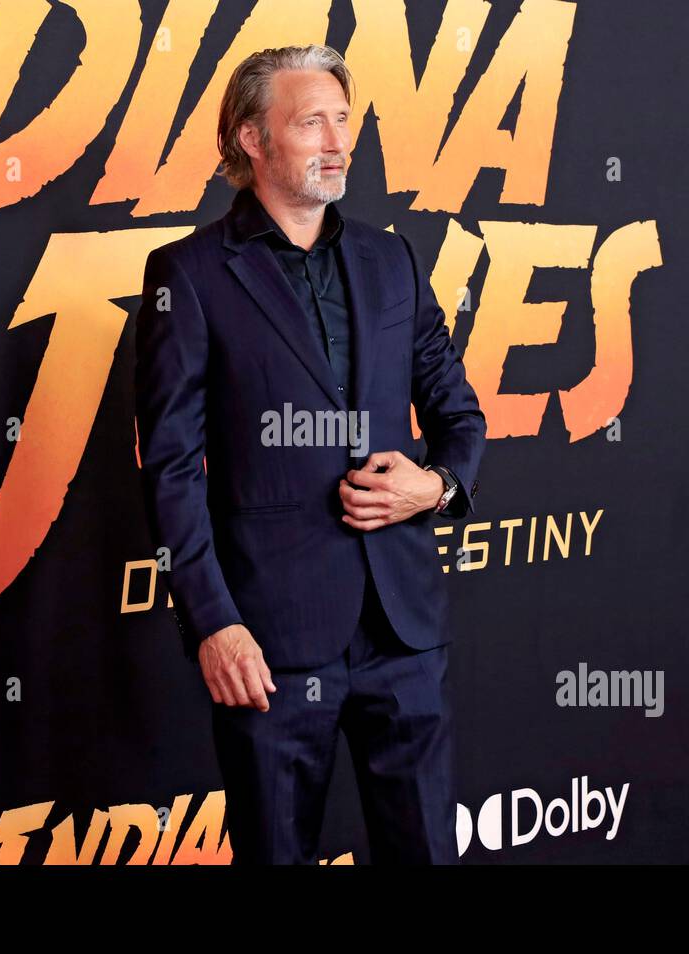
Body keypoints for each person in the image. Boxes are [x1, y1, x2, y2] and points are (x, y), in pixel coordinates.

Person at [134, 44, 485, 864]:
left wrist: (433, 488)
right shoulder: (186, 276)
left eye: (344, 120)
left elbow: (459, 417)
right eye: (311, 122)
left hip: (404, 632)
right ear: (252, 139)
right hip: (270, 641)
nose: (337, 142)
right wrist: (215, 623)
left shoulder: (392, 258)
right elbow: (172, 466)